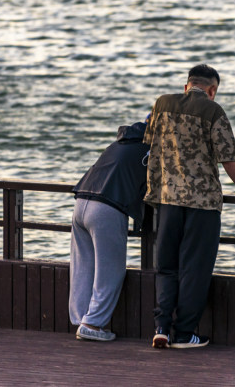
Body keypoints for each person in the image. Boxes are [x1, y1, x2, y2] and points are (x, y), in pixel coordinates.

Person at [144, 64, 235, 349]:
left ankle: (161, 327)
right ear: (211, 90)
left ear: (187, 84)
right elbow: (228, 157)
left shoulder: (162, 104)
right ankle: (184, 334)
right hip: (202, 205)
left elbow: (150, 144)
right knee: (195, 269)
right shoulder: (214, 111)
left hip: (167, 201)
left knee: (166, 267)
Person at [69, 119, 150, 342]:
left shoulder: (118, 144)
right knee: (111, 270)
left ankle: (80, 319)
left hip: (81, 201)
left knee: (83, 265)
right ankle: (92, 324)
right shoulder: (150, 150)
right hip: (107, 207)